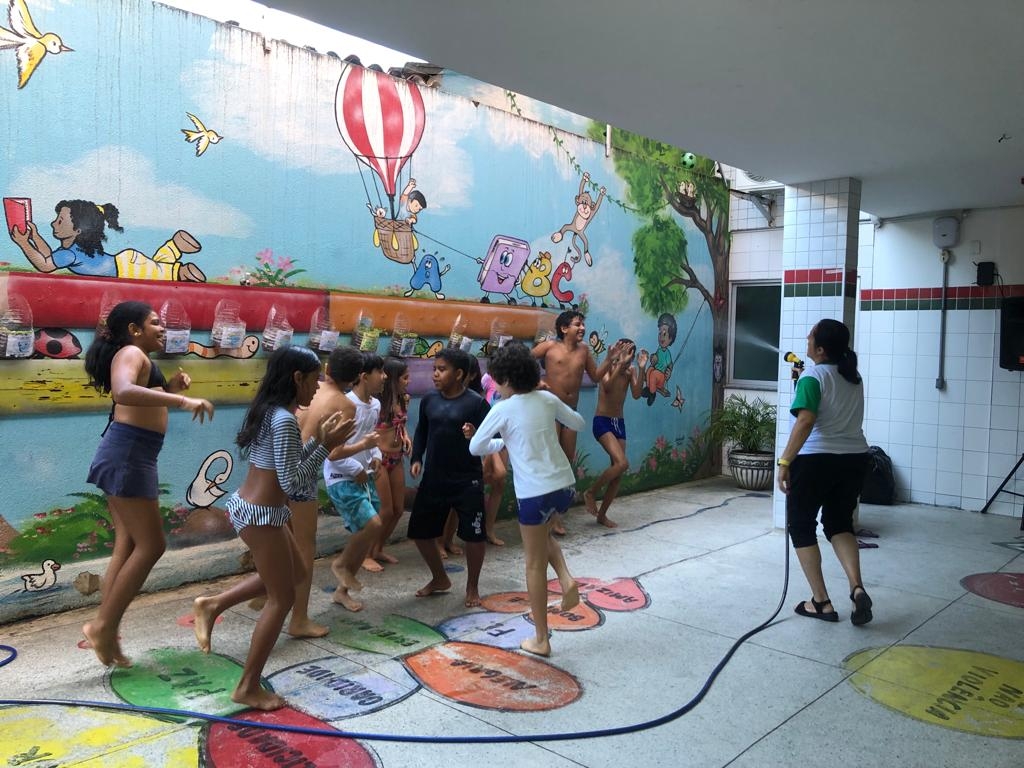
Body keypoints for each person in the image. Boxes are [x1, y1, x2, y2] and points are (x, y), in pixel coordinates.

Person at [192, 347, 353, 711]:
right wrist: (326, 445)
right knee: (282, 599)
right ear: (297, 378)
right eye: (313, 380)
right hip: (260, 516)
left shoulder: (273, 412)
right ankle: (247, 686)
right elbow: (293, 482)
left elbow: (289, 467)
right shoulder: (282, 420)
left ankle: (213, 604)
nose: (317, 388)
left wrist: (319, 442)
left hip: (263, 512)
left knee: (295, 573)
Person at [81, 301, 214, 667]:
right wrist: (182, 398)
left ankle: (107, 631)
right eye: (155, 322)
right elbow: (123, 392)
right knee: (152, 545)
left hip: (130, 453)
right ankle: (102, 627)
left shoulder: (141, 358)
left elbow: (141, 401)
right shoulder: (130, 353)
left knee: (128, 544)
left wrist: (168, 387)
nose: (163, 328)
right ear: (134, 329)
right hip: (128, 455)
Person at [469, 342, 582, 656]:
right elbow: (578, 423)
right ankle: (566, 578)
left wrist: (503, 442)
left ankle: (541, 639)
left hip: (534, 492)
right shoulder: (547, 398)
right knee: (542, 534)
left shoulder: (502, 409)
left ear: (505, 380)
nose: (496, 388)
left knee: (533, 564)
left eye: (496, 381)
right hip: (564, 487)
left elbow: (475, 447)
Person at [777, 319, 873, 626]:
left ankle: (821, 602)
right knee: (839, 524)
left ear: (820, 349)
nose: (807, 337)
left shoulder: (813, 377)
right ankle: (857, 588)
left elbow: (806, 421)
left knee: (802, 526)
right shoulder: (853, 377)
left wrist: (785, 462)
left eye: (811, 335)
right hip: (854, 459)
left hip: (816, 460)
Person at [284, 345, 365, 636]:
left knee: (285, 544)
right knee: (304, 550)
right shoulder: (346, 405)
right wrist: (365, 452)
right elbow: (334, 452)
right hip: (303, 477)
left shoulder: (310, 389)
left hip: (281, 470)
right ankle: (298, 619)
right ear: (356, 378)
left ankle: (269, 594)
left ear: (327, 369)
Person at [408, 348, 490, 607]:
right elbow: (422, 431)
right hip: (434, 477)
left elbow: (493, 437)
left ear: (459, 374)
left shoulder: (476, 403)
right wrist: (416, 458)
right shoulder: (429, 400)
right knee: (420, 532)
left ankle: (472, 587)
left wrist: (475, 434)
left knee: (474, 536)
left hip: (467, 480)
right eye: (434, 369)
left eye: (441, 370)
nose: (435, 374)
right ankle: (440, 578)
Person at [531, 310, 618, 534]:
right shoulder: (549, 347)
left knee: (566, 460)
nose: (582, 328)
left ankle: (557, 515)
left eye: (582, 324)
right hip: (550, 409)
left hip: (570, 411)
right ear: (564, 328)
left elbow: (596, 376)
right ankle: (546, 514)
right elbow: (523, 362)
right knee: (552, 460)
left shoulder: (584, 350)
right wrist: (536, 383)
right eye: (577, 324)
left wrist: (609, 359)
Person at [325, 353, 387, 612]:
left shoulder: (375, 405)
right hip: (341, 477)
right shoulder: (346, 404)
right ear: (363, 376)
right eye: (379, 372)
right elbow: (332, 451)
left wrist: (376, 456)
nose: (384, 376)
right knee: (373, 524)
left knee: (368, 532)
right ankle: (340, 565)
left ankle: (342, 591)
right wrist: (356, 468)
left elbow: (370, 438)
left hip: (364, 477)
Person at [10, 199, 206, 281]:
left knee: (161, 273)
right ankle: (174, 246)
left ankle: (181, 271)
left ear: (78, 230)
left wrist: (23, 243)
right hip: (126, 262)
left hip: (127, 269)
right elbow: (49, 257)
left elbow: (44, 265)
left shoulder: (70, 254)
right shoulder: (71, 251)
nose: (54, 223)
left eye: (60, 221)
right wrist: (35, 236)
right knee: (156, 267)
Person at [584, 339, 642, 528]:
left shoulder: (630, 371)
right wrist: (619, 364)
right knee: (622, 463)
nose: (628, 359)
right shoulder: (608, 366)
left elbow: (637, 394)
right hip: (602, 422)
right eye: (626, 353)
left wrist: (641, 369)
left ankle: (601, 515)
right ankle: (591, 492)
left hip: (619, 424)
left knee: (618, 474)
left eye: (631, 355)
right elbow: (607, 387)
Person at [371, 356, 412, 568]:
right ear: (393, 379)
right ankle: (365, 553)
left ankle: (378, 548)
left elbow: (400, 425)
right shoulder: (377, 403)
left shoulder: (404, 399)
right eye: (405, 377)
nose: (408, 381)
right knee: (385, 510)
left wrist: (405, 437)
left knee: (398, 509)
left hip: (396, 458)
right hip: (381, 458)